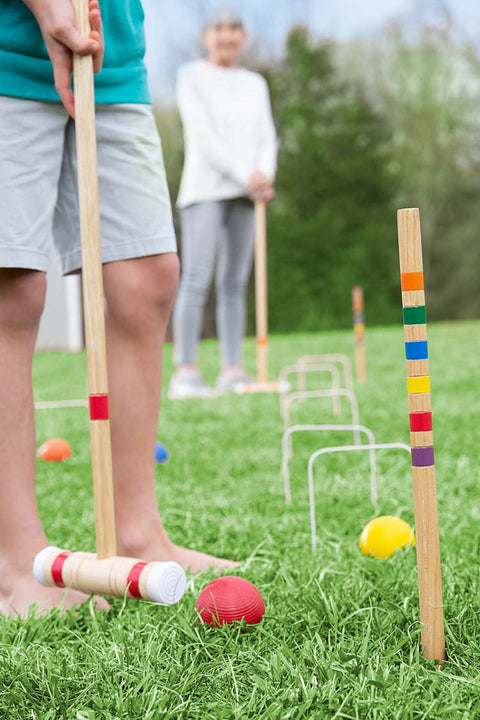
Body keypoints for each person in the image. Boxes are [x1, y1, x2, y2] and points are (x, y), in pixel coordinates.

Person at [0, 0, 236, 619]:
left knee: (148, 279)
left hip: (113, 60)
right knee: (11, 291)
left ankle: (137, 532)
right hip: (6, 55)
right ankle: (14, 562)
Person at [169, 11, 278, 399]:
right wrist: (245, 172)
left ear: (244, 37)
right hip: (205, 189)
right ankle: (186, 372)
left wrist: (264, 174)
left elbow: (267, 135)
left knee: (234, 282)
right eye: (219, 29)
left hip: (248, 193)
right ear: (206, 36)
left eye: (233, 29)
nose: (226, 36)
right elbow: (201, 134)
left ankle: (233, 370)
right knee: (197, 277)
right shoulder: (191, 75)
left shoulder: (254, 83)